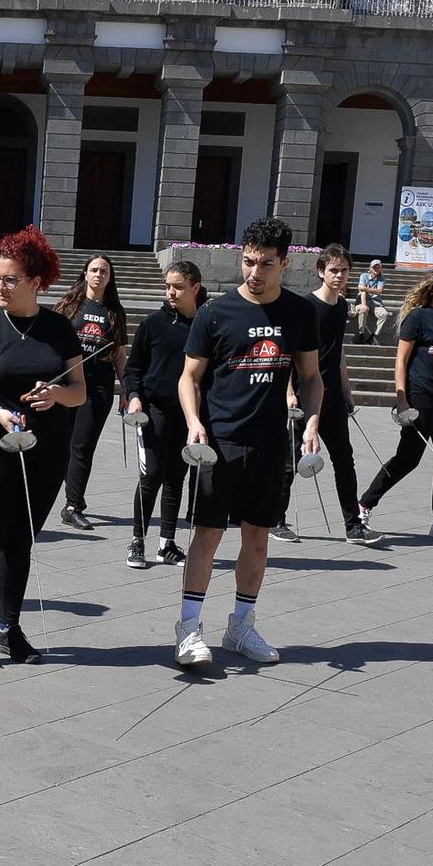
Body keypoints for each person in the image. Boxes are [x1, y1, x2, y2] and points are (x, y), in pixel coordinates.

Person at [172, 216, 323, 669]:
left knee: (257, 537)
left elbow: (312, 377)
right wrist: (193, 421)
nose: (254, 272)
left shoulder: (300, 313)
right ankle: (188, 628)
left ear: (285, 263)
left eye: (265, 264)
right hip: (219, 441)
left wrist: (312, 422)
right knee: (208, 535)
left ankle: (241, 626)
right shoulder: (215, 313)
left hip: (270, 443)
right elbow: (189, 377)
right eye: (249, 261)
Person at [0, 225, 86, 676]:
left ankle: (9, 628)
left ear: (35, 281)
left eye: (9, 279)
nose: (0, 287)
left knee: (21, 542)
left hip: (45, 449)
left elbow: (80, 391)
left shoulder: (58, 328)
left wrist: (55, 396)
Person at [357, 262, 433, 541]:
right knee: (408, 459)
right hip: (420, 397)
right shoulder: (418, 317)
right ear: (432, 289)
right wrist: (401, 398)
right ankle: (364, 504)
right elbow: (401, 360)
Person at [123, 261, 201, 570]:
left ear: (195, 287)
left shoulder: (205, 324)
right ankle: (137, 540)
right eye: (168, 285)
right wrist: (134, 398)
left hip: (188, 413)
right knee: (151, 475)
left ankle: (166, 544)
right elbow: (133, 369)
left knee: (176, 478)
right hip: (153, 410)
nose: (171, 292)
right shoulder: (152, 323)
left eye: (178, 286)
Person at [298, 246, 377, 545]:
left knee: (345, 460)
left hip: (332, 398)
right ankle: (276, 518)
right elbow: (293, 353)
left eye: (344, 270)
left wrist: (347, 388)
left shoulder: (343, 305)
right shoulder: (306, 306)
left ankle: (353, 525)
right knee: (292, 460)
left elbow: (338, 350)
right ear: (321, 271)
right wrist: (290, 393)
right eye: (333, 270)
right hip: (305, 394)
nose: (339, 275)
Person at [55, 253, 128, 532]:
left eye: (104, 271)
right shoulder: (68, 306)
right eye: (94, 270)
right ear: (85, 274)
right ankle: (61, 487)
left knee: (83, 447)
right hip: (66, 384)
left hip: (98, 388)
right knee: (61, 444)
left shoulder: (114, 313)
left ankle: (73, 505)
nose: (99, 275)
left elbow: (120, 355)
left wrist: (125, 389)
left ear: (110, 278)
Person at [355, 259, 390, 343]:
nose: (376, 269)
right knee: (363, 310)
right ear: (370, 268)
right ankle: (361, 334)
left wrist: (366, 288)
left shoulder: (381, 278)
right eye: (374, 267)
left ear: (381, 269)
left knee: (384, 314)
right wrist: (364, 304)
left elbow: (379, 291)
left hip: (376, 303)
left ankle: (374, 336)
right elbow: (362, 291)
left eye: (378, 267)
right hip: (362, 300)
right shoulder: (364, 276)